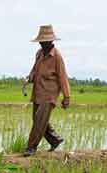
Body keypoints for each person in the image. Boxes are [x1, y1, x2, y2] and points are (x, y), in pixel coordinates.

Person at [24, 25, 71, 157]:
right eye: (41, 41)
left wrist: (66, 97)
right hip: (38, 92)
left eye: (45, 42)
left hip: (49, 94)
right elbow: (35, 69)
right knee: (38, 119)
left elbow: (63, 77)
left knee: (39, 120)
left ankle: (31, 148)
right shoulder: (39, 53)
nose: (42, 43)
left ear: (51, 42)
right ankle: (55, 139)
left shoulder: (57, 57)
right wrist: (29, 78)